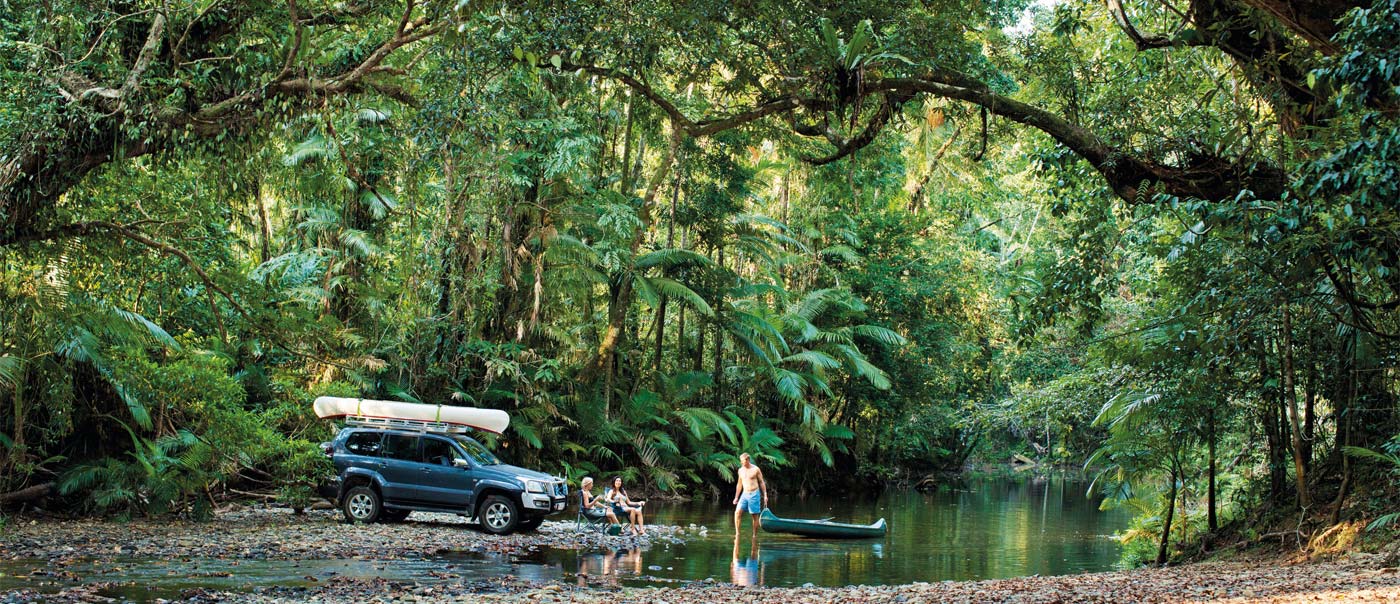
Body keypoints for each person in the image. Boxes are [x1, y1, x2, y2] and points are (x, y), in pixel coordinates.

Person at [732, 452, 769, 538]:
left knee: (754, 516)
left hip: (754, 494)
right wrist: (736, 497)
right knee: (737, 513)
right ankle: (737, 534)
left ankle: (754, 536)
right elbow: (739, 484)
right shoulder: (740, 470)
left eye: (743, 461)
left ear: (748, 460)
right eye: (741, 461)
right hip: (744, 494)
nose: (741, 463)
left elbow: (761, 482)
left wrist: (765, 494)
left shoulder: (756, 469)